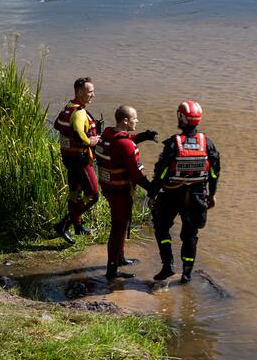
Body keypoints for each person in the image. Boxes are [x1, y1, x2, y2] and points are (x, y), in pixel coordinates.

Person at [150, 100, 220, 283]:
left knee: (161, 227)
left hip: (171, 195)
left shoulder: (174, 143)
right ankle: (187, 273)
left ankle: (168, 266)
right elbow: (214, 172)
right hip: (197, 197)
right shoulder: (207, 143)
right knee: (190, 234)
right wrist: (212, 194)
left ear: (181, 118)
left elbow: (161, 172)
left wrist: (152, 194)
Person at [94, 105, 158, 279]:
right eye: (134, 118)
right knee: (118, 227)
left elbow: (122, 142)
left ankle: (120, 257)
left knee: (121, 224)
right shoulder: (125, 144)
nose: (137, 120)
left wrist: (143, 136)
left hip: (108, 186)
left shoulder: (107, 133)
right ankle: (112, 270)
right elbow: (136, 174)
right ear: (125, 121)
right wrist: (151, 188)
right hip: (120, 190)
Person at [52, 77, 102, 244]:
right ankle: (64, 225)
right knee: (93, 195)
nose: (93, 95)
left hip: (68, 157)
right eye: (90, 92)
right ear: (80, 92)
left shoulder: (69, 107)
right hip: (79, 160)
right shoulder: (80, 112)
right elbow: (80, 134)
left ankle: (78, 227)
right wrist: (91, 141)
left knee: (75, 194)